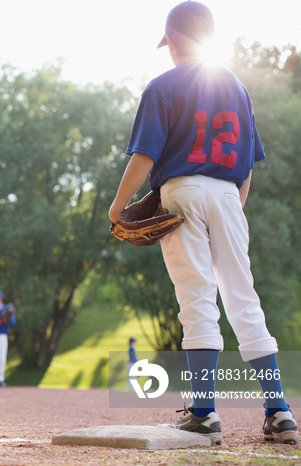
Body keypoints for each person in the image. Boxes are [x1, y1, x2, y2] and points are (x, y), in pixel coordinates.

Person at [109, 1, 297, 445]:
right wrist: (230, 208)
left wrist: (118, 207)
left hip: (182, 192)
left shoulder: (163, 85)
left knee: (197, 301)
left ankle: (204, 413)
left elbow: (145, 155)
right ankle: (279, 412)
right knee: (243, 299)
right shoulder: (236, 87)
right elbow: (247, 167)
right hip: (230, 195)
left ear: (173, 40)